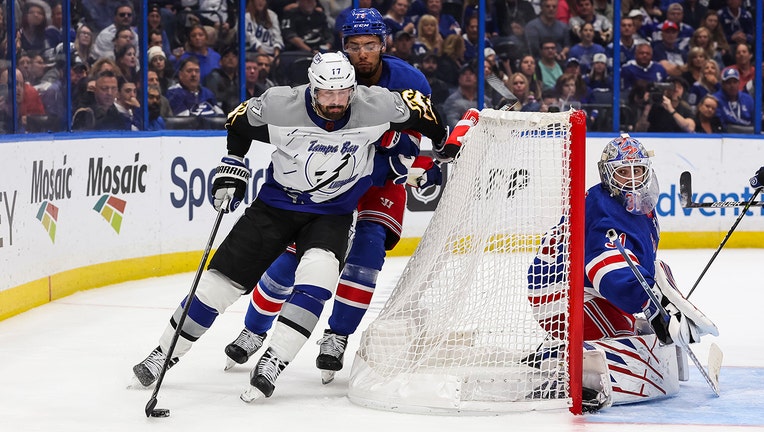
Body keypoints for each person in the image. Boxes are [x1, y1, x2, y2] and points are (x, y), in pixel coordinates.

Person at [132, 51, 448, 401]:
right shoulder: (282, 104)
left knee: (318, 279)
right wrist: (232, 163)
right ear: (313, 88)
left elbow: (424, 112)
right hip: (275, 207)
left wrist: (440, 145)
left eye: (344, 92)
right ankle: (164, 353)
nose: (337, 102)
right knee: (216, 285)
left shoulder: (376, 105)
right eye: (328, 93)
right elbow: (238, 121)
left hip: (332, 213)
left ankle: (274, 361)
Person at [223, 7, 448, 386]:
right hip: (330, 178)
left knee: (367, 252)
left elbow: (410, 139)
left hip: (377, 180)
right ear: (344, 46)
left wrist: (416, 164)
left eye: (371, 45)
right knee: (293, 255)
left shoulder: (408, 79)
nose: (363, 53)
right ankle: (254, 329)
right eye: (355, 45)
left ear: (383, 44)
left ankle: (337, 335)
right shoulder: (330, 76)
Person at [528, 134, 718, 409]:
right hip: (556, 294)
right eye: (622, 172)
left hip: (583, 286)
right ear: (608, 174)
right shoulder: (604, 211)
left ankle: (564, 347)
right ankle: (557, 361)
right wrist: (650, 304)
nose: (631, 179)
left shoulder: (635, 204)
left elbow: (643, 263)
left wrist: (660, 302)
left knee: (645, 318)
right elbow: (607, 271)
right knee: (624, 338)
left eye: (637, 170)